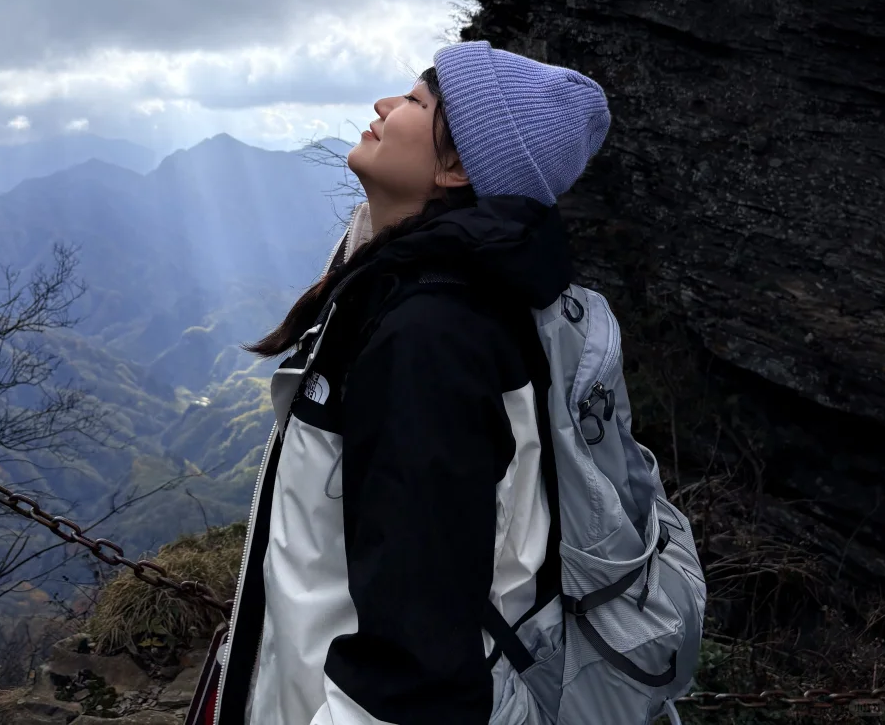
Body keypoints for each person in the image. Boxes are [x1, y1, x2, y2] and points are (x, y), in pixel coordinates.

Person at [211, 39, 611, 725]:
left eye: (416, 101)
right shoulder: (446, 297)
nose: (383, 105)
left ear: (457, 166)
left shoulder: (431, 338)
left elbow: (417, 667)